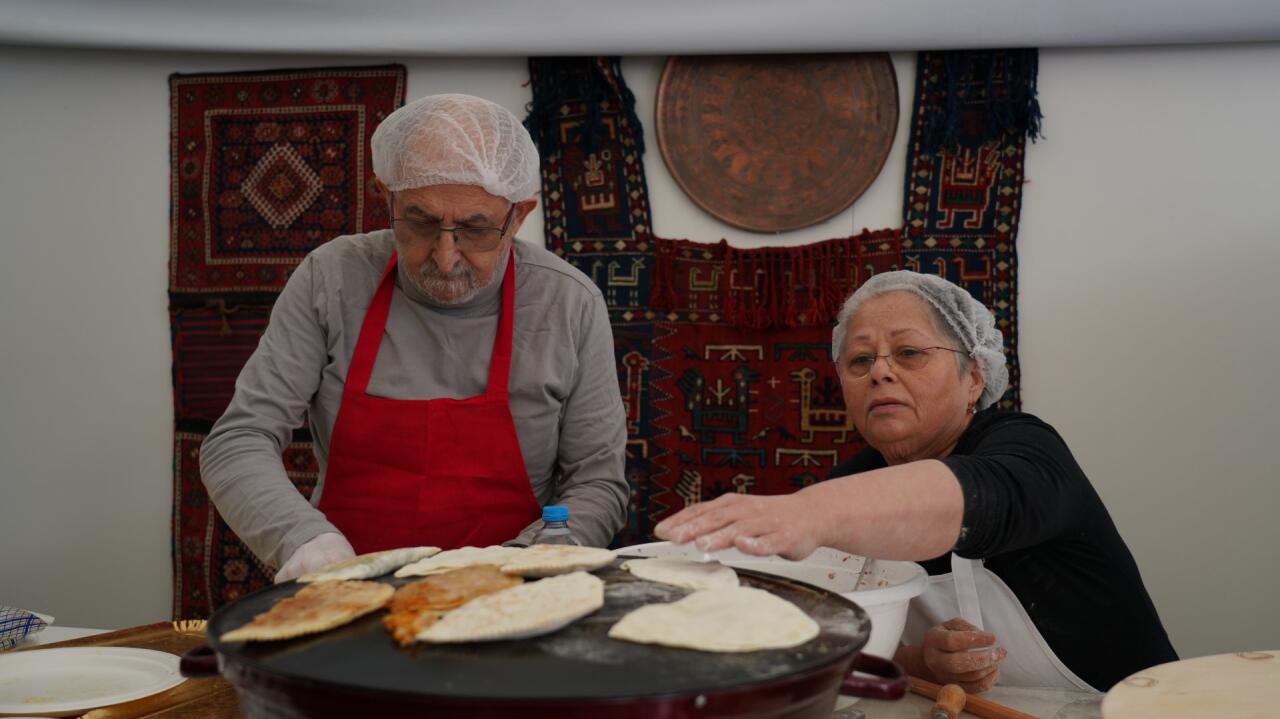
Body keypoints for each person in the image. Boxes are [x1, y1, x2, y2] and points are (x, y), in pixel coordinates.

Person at [655, 270, 1176, 692]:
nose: (880, 371)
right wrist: (921, 661)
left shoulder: (1028, 449)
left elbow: (976, 495)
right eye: (860, 360)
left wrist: (806, 514)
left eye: (909, 353)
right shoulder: (854, 483)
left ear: (974, 377)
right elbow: (840, 642)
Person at [201, 94, 628, 583]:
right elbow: (238, 439)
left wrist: (523, 566)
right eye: (420, 222)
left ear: (520, 215)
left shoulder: (569, 303)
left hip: (512, 593)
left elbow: (597, 483)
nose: (445, 257)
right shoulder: (332, 278)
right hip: (349, 589)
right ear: (387, 197)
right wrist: (305, 541)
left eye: (475, 229)